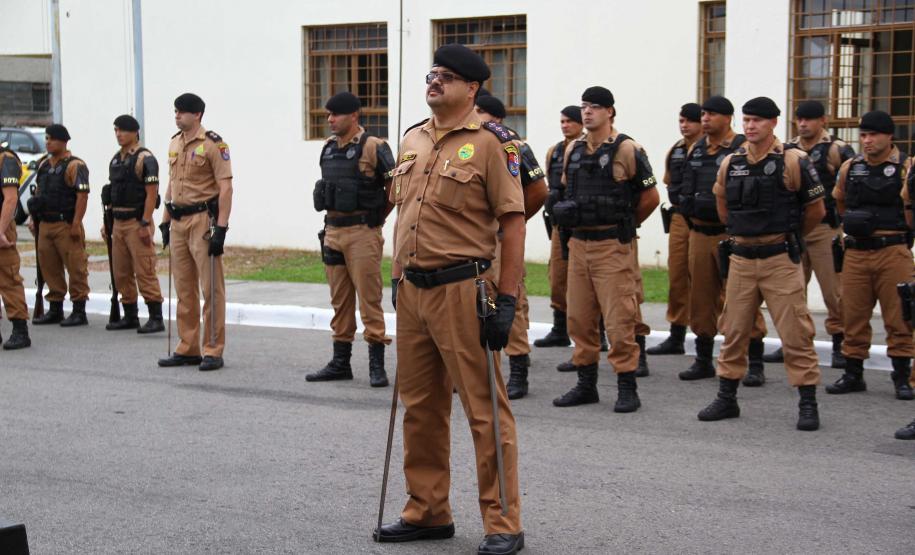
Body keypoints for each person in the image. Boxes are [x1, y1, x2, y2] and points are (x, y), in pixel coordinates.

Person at [374, 44, 525, 555]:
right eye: (432, 74)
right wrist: (396, 277)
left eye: (446, 76)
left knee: (484, 410)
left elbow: (513, 219)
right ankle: (428, 510)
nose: (434, 81)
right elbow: (404, 214)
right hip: (413, 291)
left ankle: (503, 523)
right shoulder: (413, 137)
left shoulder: (493, 143)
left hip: (465, 289)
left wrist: (507, 299)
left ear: (472, 87)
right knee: (419, 407)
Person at [698, 96, 825, 431]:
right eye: (747, 120)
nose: (750, 126)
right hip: (741, 259)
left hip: (779, 259)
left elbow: (816, 211)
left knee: (796, 333)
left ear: (773, 124)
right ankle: (727, 397)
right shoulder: (732, 162)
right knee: (734, 330)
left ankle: (807, 402)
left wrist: (788, 238)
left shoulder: (793, 160)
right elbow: (723, 204)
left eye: (757, 120)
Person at [550, 86, 660, 411]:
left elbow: (650, 198)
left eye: (595, 107)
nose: (587, 113)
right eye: (584, 106)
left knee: (619, 320)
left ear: (610, 111)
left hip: (612, 245)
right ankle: (586, 385)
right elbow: (566, 191)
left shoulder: (627, 149)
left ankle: (627, 386)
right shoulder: (573, 150)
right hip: (579, 244)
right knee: (580, 320)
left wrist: (623, 225)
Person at [677, 96, 768, 385]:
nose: (705, 119)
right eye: (703, 113)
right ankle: (703, 358)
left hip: (733, 235)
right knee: (701, 298)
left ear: (728, 118)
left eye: (712, 114)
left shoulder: (742, 148)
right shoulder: (696, 150)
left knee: (742, 298)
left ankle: (754, 362)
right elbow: (683, 187)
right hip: (700, 233)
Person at [306, 91, 394, 387]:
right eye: (328, 114)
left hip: (362, 233)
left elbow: (395, 188)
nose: (330, 119)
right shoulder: (329, 148)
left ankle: (376, 364)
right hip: (332, 232)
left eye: (336, 114)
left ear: (354, 115)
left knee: (370, 300)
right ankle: (340, 362)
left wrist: (377, 218)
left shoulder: (374, 147)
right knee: (339, 300)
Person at [827, 110, 913, 401]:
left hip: (893, 251)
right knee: (852, 314)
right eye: (863, 135)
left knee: (899, 316)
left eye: (873, 134)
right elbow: (839, 202)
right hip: (856, 253)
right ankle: (853, 373)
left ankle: (902, 377)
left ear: (889, 136)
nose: (867, 140)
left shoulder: (906, 167)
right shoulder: (850, 167)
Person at [765, 100, 854, 367]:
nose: (803, 124)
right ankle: (792, 343)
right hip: (795, 229)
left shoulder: (836, 149)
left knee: (834, 292)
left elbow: (852, 183)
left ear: (823, 121)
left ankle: (841, 344)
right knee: (790, 292)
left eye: (809, 119)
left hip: (825, 229)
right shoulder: (787, 149)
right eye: (800, 119)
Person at [474, 93, 547, 400]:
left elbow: (538, 191)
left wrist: (509, 225)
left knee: (510, 302)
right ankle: (479, 371)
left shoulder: (513, 146)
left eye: (480, 111)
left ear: (497, 118)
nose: (474, 116)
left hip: (500, 240)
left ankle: (518, 369)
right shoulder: (468, 144)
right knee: (472, 302)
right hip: (472, 240)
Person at [157, 93, 233, 372]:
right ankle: (188, 347)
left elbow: (226, 188)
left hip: (203, 220)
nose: (177, 115)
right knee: (184, 287)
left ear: (197, 114)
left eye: (182, 112)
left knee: (210, 287)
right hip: (178, 220)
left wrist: (221, 229)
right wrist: (165, 220)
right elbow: (172, 183)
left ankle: (212, 348)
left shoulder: (214, 144)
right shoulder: (175, 142)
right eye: (175, 111)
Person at [102, 114, 165, 333]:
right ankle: (130, 315)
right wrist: (107, 223)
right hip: (118, 222)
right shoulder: (116, 159)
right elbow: (113, 193)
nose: (119, 134)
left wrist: (145, 222)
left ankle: (155, 316)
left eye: (123, 130)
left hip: (137, 222)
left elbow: (151, 194)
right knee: (121, 272)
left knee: (144, 269)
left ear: (135, 132)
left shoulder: (145, 158)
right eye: (116, 130)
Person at [648, 102, 702, 356]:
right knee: (678, 275)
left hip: (708, 221)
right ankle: (677, 333)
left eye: (689, 121)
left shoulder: (712, 149)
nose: (684, 125)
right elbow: (669, 182)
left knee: (710, 279)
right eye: (681, 120)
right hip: (680, 217)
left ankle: (722, 334)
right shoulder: (676, 150)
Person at [28, 124, 91, 327]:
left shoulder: (75, 165)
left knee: (76, 267)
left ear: (63, 142)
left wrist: (76, 223)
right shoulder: (44, 165)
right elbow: (38, 192)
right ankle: (55, 307)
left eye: (52, 139)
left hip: (66, 223)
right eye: (46, 138)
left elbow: (82, 196)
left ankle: (79, 310)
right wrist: (32, 218)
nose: (48, 142)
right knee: (49, 266)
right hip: (45, 223)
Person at [536, 106, 584, 348]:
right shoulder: (554, 151)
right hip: (559, 223)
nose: (565, 125)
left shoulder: (586, 149)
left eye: (570, 121)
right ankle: (559, 328)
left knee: (586, 280)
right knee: (557, 276)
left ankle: (597, 331)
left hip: (581, 225)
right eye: (562, 121)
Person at [0, 138, 31, 349]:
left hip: (1, 224)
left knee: (8, 278)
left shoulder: (6, 159)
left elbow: (10, 199)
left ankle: (20, 331)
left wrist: (0, 230)